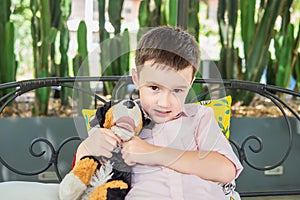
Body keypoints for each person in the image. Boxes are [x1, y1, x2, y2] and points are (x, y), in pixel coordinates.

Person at [76, 26, 243, 199]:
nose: (164, 103)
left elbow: (226, 170)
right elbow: (85, 169)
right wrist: (88, 146)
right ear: (137, 78)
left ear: (191, 82)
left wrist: (153, 153)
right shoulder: (121, 119)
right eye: (154, 88)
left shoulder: (200, 117)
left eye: (177, 90)